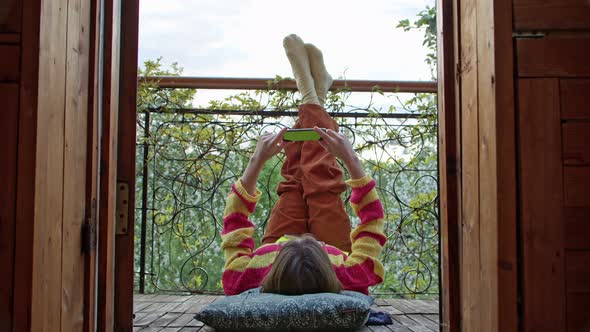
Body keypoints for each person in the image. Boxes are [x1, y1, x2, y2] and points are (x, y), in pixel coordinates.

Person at [221, 34, 386, 296]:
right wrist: (257, 161)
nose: (302, 239)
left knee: (295, 183)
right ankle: (312, 94)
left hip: (289, 262)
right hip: (317, 261)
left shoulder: (247, 276)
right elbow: (373, 221)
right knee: (319, 182)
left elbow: (234, 223)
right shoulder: (349, 273)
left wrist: (349, 159)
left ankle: (314, 93)